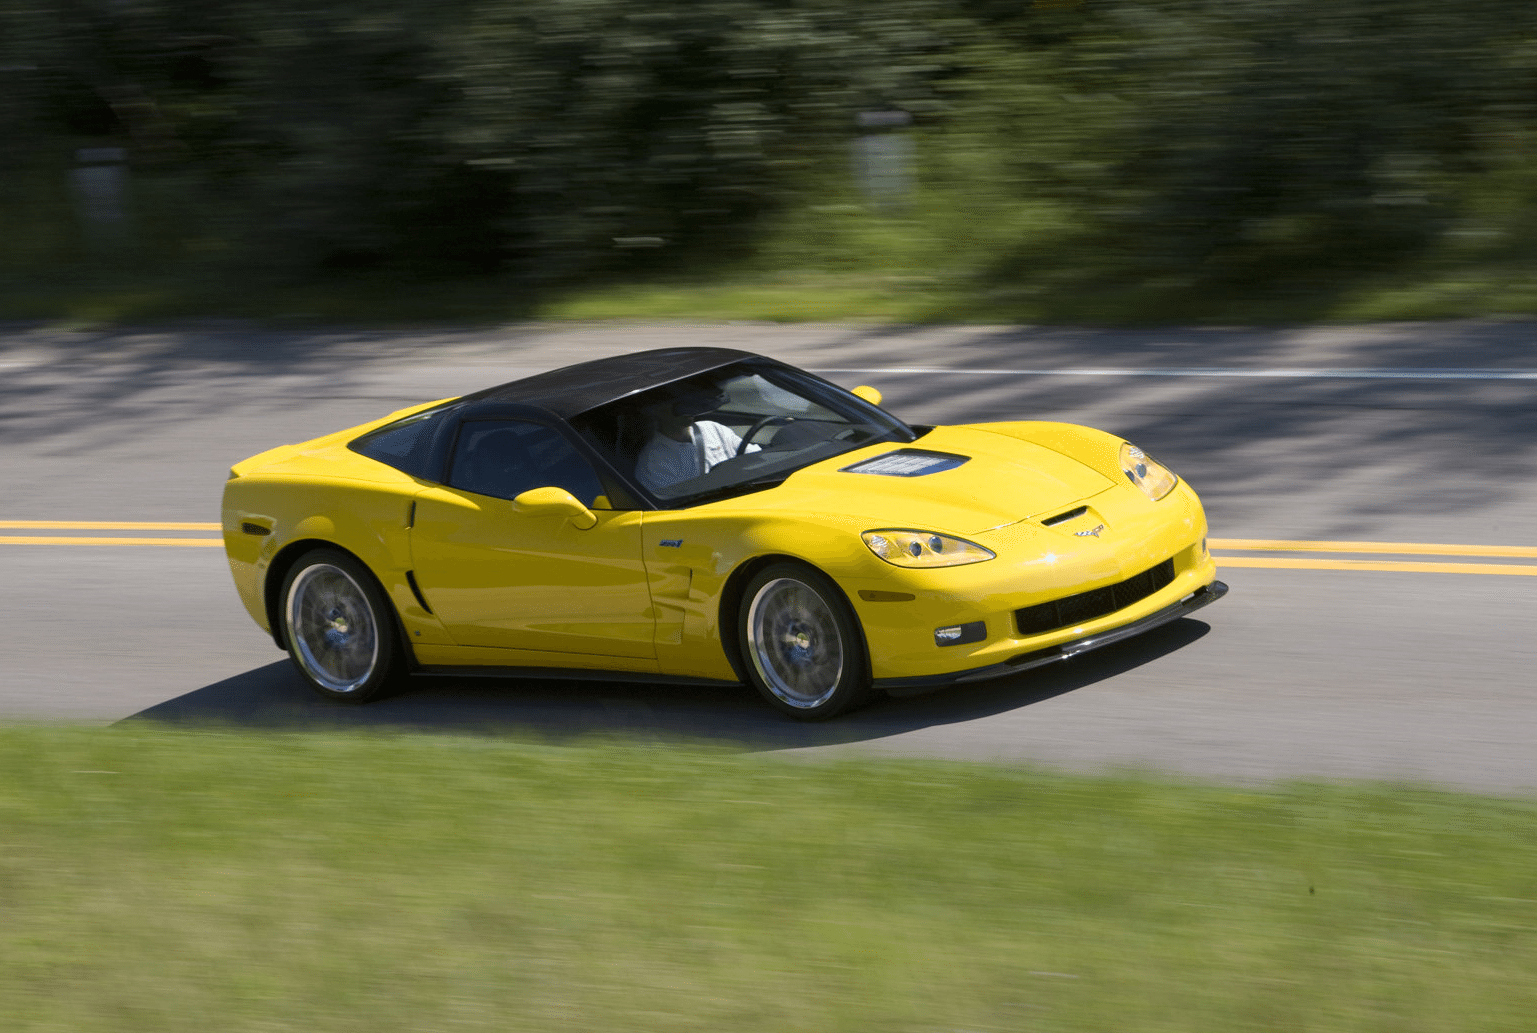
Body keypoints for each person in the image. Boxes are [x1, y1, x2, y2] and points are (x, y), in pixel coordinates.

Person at [634, 388, 759, 494]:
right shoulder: (653, 462)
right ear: (655, 409)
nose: (689, 408)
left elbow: (757, 459)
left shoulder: (712, 428)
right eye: (678, 404)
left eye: (689, 401)